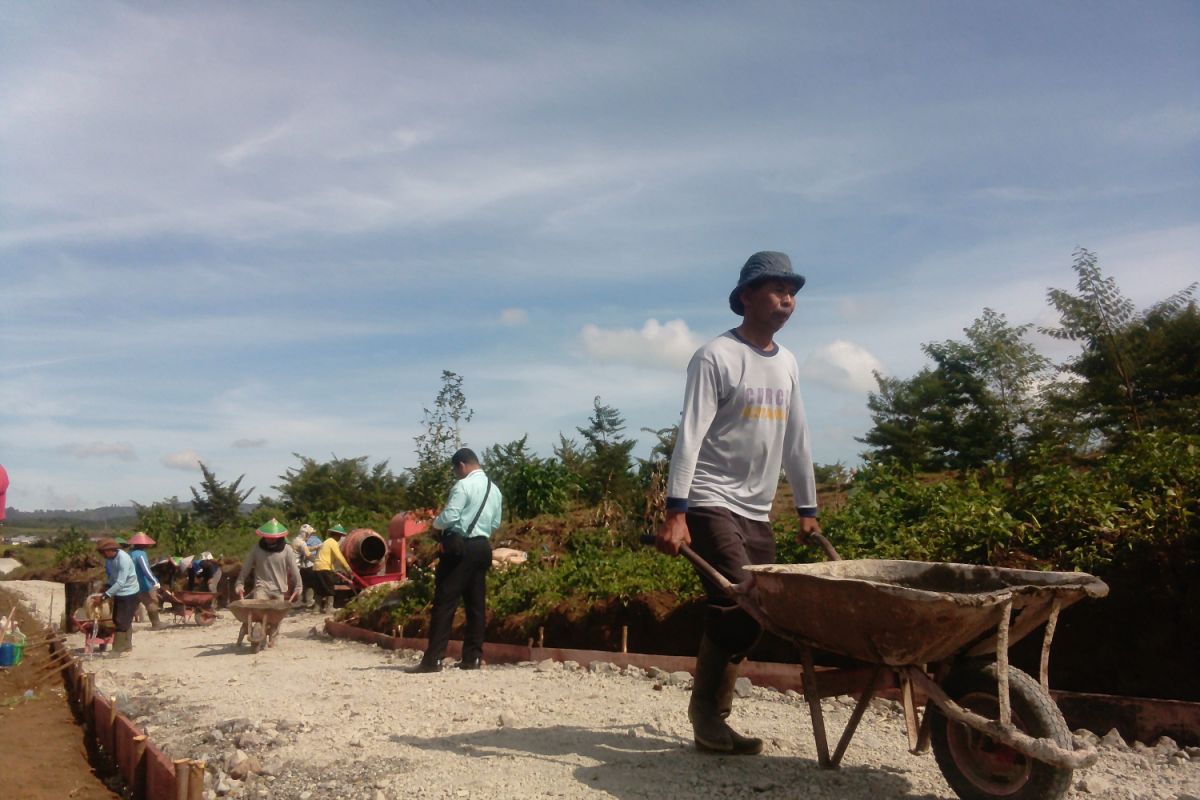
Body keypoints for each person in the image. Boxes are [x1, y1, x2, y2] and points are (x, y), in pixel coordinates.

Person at [656, 251, 820, 755]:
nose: (786, 299)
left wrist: (808, 510)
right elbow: (689, 435)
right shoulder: (715, 357)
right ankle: (708, 716)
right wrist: (676, 511)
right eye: (774, 288)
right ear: (746, 296)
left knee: (757, 609)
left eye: (791, 290)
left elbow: (796, 440)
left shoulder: (788, 362)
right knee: (740, 599)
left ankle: (711, 716)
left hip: (757, 508)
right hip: (708, 498)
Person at [409, 448, 503, 674]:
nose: (455, 474)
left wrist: (435, 523)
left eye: (455, 470)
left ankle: (433, 660)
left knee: (445, 602)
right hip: (483, 547)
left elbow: (450, 516)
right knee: (476, 604)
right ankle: (473, 658)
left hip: (461, 547)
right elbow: (495, 524)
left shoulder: (463, 486)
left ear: (461, 465)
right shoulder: (495, 489)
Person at [92, 537, 141, 656]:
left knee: (121, 621)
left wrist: (104, 597)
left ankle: (117, 650)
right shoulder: (109, 560)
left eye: (103, 552)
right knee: (121, 619)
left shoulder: (123, 559)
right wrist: (107, 585)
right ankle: (126, 646)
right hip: (119, 592)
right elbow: (113, 577)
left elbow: (120, 582)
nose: (102, 555)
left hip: (129, 592)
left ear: (110, 550)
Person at [235, 519, 302, 602]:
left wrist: (298, 586)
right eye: (268, 537)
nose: (270, 539)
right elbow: (246, 567)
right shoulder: (256, 548)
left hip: (279, 588)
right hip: (261, 587)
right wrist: (239, 583)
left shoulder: (287, 550)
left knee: (277, 613)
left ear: (278, 537)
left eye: (272, 538)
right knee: (260, 612)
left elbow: (294, 569)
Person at [126, 531, 165, 630]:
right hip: (143, 584)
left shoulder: (129, 553)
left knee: (130, 606)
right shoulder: (141, 554)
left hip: (131, 584)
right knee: (151, 603)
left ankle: (127, 627)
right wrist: (154, 581)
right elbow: (145, 569)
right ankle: (156, 624)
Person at [311, 524, 353, 614]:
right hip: (324, 568)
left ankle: (316, 609)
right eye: (340, 536)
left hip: (316, 568)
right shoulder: (333, 543)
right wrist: (348, 568)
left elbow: (326, 557)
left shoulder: (326, 542)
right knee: (329, 588)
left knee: (319, 589)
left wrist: (333, 569)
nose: (340, 538)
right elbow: (339, 557)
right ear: (336, 535)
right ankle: (329, 608)